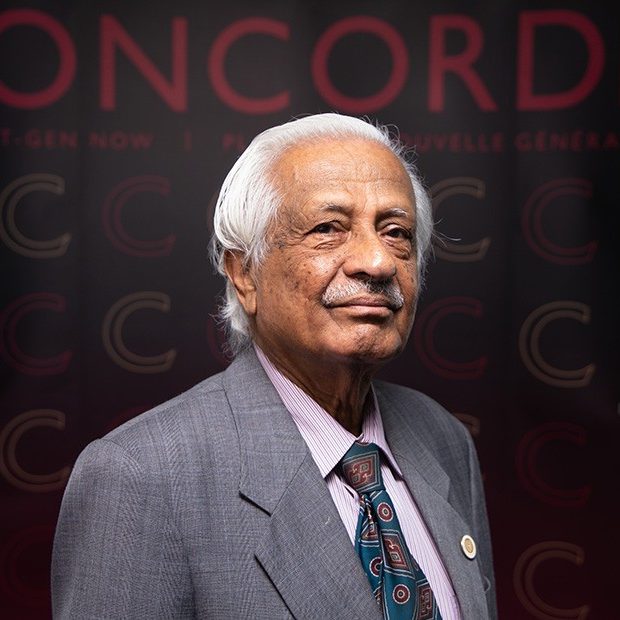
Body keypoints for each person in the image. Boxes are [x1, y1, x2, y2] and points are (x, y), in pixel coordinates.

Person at [52, 113, 496, 619]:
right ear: (244, 274)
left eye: (396, 232)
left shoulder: (442, 440)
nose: (377, 262)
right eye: (329, 228)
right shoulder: (140, 477)